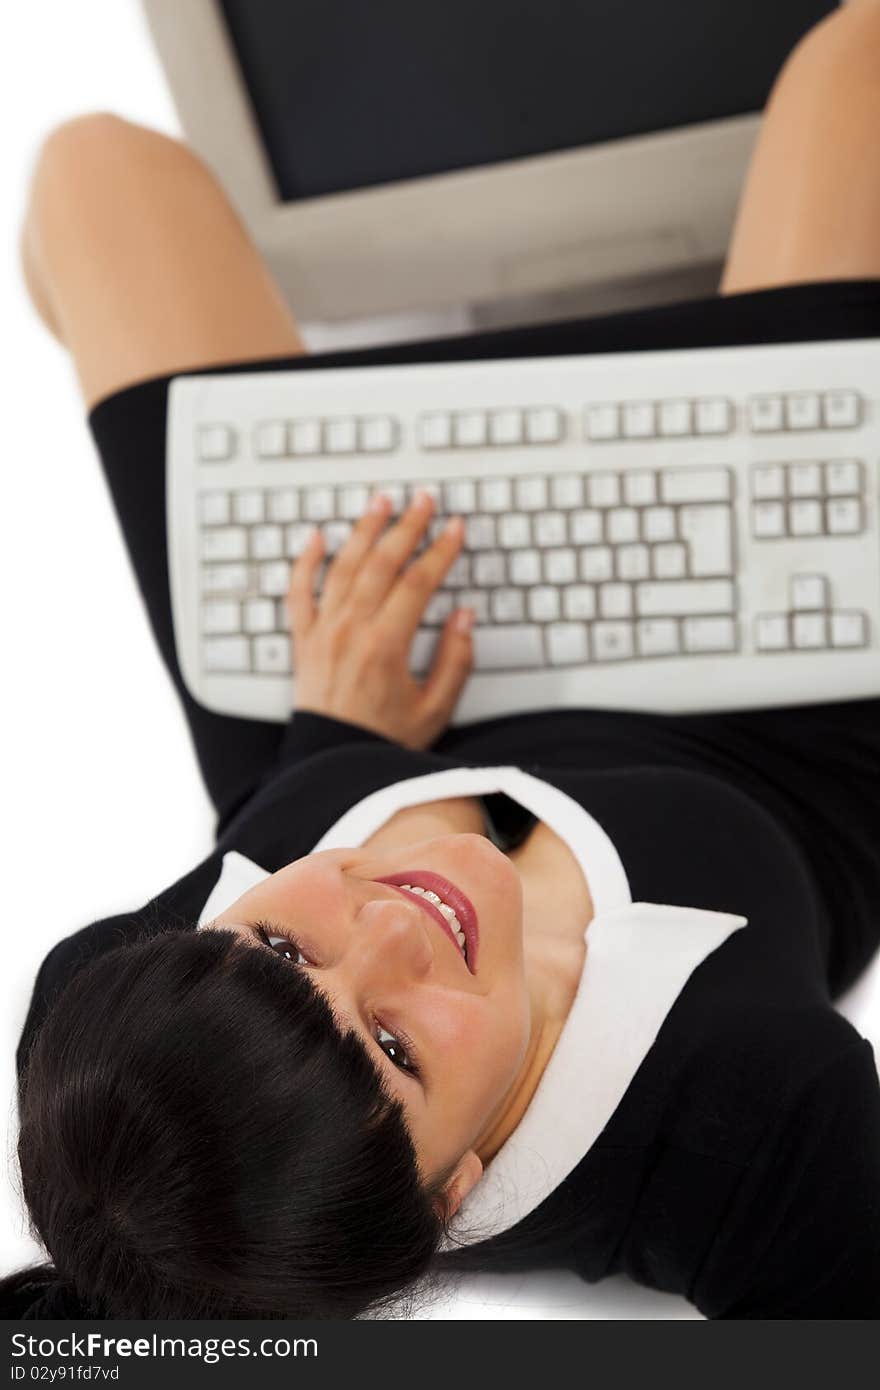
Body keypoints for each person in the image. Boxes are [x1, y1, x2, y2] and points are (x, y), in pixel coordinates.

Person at [5, 2, 880, 1320]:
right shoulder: (745, 1131)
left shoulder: (96, 1018)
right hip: (779, 741)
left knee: (92, 174)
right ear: (451, 1192)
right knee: (855, 60)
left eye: (282, 953)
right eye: (398, 1049)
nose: (395, 922)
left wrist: (326, 746)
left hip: (371, 713)